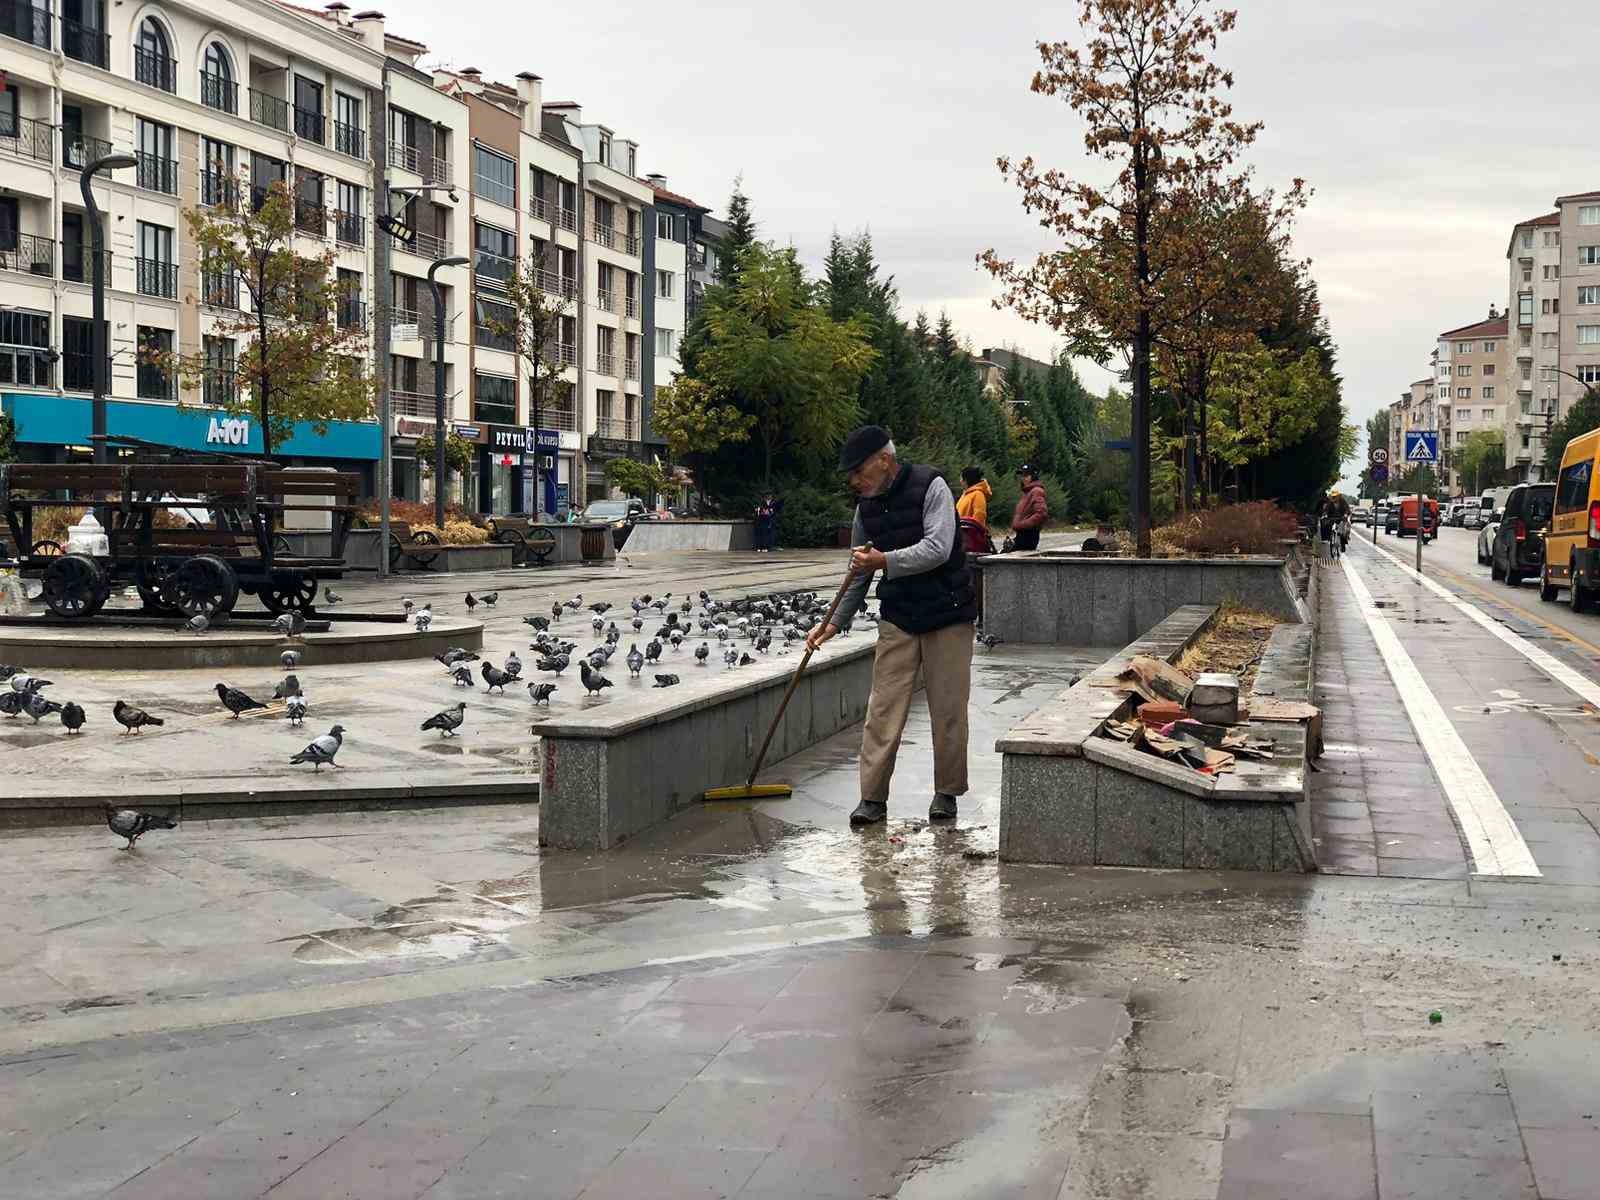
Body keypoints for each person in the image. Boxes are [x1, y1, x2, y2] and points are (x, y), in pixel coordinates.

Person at [807, 426, 976, 827]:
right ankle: (872, 798)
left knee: (948, 711)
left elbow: (937, 548)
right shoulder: (865, 507)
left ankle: (947, 792)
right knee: (882, 709)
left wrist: (884, 561)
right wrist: (833, 622)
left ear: (884, 460)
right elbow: (858, 570)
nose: (854, 480)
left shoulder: (931, 486)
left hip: (948, 612)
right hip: (899, 615)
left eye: (859, 470)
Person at [1011, 464, 1048, 551]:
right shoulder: (1028, 492)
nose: (1023, 478)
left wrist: (1023, 524)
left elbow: (1042, 513)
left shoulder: (1036, 491)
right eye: (1022, 476)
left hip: (1029, 534)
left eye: (1026, 476)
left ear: (1033, 477)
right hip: (1023, 534)